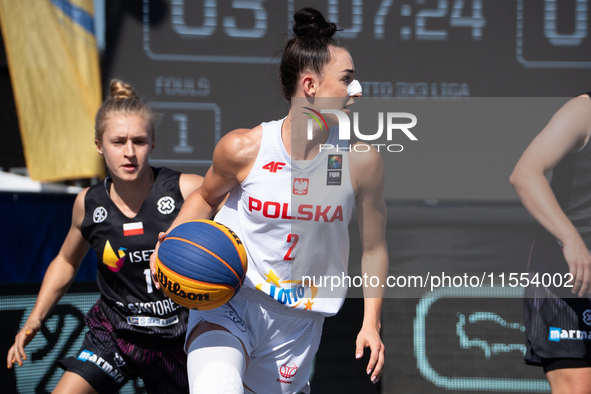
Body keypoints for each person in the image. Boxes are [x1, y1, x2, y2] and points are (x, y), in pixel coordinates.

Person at [150, 8, 388, 394]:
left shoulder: (363, 162)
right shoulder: (244, 148)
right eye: (347, 79)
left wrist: (371, 322)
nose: (357, 89)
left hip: (297, 325)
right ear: (310, 85)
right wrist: (171, 243)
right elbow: (205, 198)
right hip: (230, 300)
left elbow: (375, 248)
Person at [6, 79, 203, 394]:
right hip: (114, 335)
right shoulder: (88, 203)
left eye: (138, 141)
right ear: (99, 145)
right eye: (118, 141)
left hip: (178, 337)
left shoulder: (188, 190)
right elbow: (66, 262)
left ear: (153, 141)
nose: (129, 152)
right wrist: (34, 320)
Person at [510, 93, 591, 393]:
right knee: (578, 386)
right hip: (569, 269)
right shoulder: (584, 110)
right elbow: (525, 174)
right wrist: (571, 239)